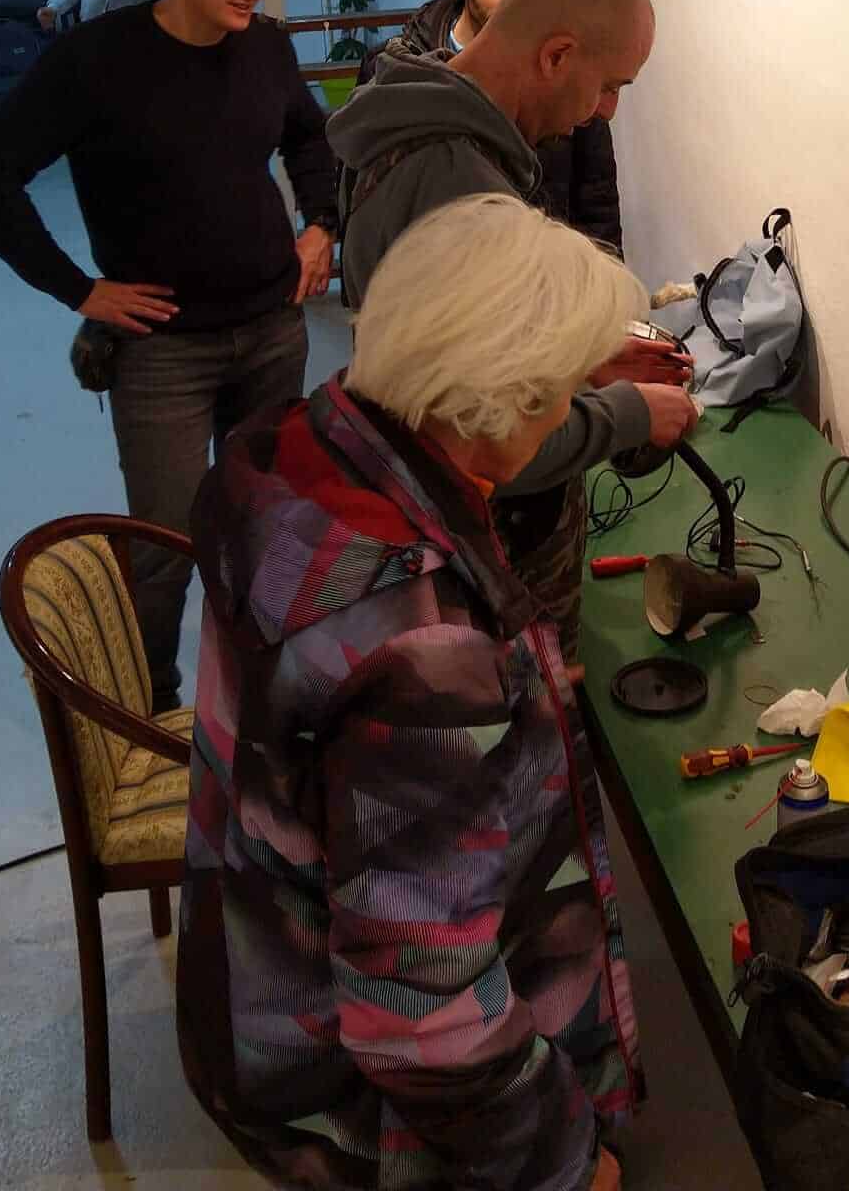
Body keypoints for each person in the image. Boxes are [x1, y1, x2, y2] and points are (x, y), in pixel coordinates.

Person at [178, 194, 640, 1191]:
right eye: (561, 390)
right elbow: (422, 1012)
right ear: (499, 399)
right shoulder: (425, 644)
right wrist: (563, 1162)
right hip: (365, 1110)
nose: (568, 411)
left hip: (255, 990)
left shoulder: (287, 449)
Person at [0, 0, 339, 708]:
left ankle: (260, 694)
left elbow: (310, 139)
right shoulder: (94, 60)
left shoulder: (266, 48)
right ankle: (152, 709)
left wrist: (322, 224)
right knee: (164, 545)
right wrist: (79, 290)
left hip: (273, 331)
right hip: (163, 351)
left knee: (266, 522)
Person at [328, 0, 694, 655]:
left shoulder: (426, 117)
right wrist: (632, 413)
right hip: (482, 572)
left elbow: (455, 366)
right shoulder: (458, 186)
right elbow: (491, 438)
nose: (607, 111)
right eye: (609, 85)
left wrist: (576, 355)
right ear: (557, 56)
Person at [367, 0, 624, 252]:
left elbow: (598, 206)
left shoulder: (568, 73)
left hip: (545, 273)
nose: (517, 4)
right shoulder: (398, 72)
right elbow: (370, 205)